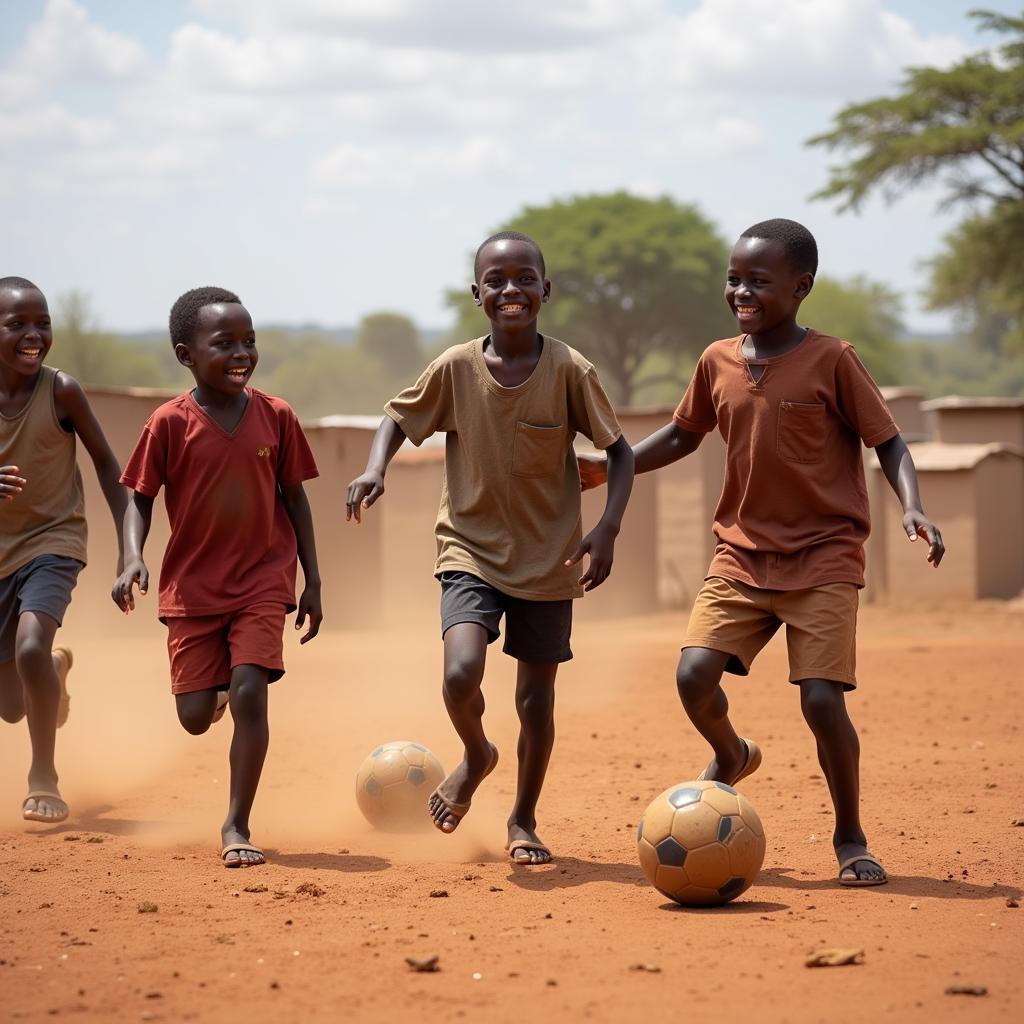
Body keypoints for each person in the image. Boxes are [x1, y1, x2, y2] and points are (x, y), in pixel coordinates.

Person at [582, 219, 944, 886]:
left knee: (820, 701)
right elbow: (685, 435)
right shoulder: (716, 359)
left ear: (802, 287)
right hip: (741, 557)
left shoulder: (834, 358)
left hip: (825, 555)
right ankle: (732, 753)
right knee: (694, 676)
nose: (740, 290)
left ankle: (850, 838)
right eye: (734, 278)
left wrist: (912, 505)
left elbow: (887, 441)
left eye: (758, 280)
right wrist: (612, 466)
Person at [347, 232, 634, 864]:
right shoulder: (454, 367)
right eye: (497, 280)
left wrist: (606, 527)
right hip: (469, 548)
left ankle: (523, 819)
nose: (512, 290)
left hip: (550, 557)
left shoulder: (569, 370)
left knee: (535, 702)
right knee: (460, 673)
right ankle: (477, 752)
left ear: (545, 290)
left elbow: (620, 452)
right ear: (477, 293)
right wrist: (376, 469)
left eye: (524, 278)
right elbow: (397, 417)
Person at [112, 287, 322, 868]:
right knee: (195, 719)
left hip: (262, 576)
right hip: (194, 587)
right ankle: (220, 691)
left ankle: (236, 824)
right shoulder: (168, 424)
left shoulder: (276, 416)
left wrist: (314, 580)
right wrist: (132, 557)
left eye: (249, 341)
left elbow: (296, 500)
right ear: (186, 354)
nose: (241, 353)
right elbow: (139, 499)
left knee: (252, 690)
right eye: (224, 343)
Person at [0, 276, 128, 824]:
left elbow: (105, 463)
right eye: (18, 325)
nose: (34, 335)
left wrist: (130, 547)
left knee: (28, 648)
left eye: (43, 323)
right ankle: (54, 667)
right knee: (10, 706)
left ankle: (43, 778)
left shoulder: (62, 391)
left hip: (53, 541)